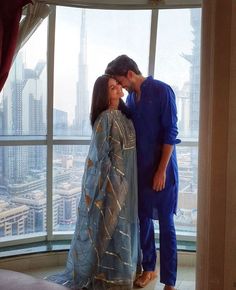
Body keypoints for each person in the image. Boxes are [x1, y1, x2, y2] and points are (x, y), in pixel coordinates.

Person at [47, 75, 140, 290]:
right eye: (111, 87)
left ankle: (118, 275)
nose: (117, 88)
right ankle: (98, 277)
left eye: (117, 85)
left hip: (128, 183)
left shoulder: (126, 117)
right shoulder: (105, 119)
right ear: (103, 94)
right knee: (106, 232)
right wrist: (110, 184)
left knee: (121, 228)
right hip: (112, 184)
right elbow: (98, 157)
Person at [105, 55, 180, 290]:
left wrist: (161, 171)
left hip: (162, 172)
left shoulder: (162, 91)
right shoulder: (133, 100)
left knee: (166, 226)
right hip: (140, 171)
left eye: (119, 81)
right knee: (144, 221)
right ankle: (149, 269)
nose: (121, 87)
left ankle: (170, 281)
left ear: (129, 74)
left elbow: (171, 133)